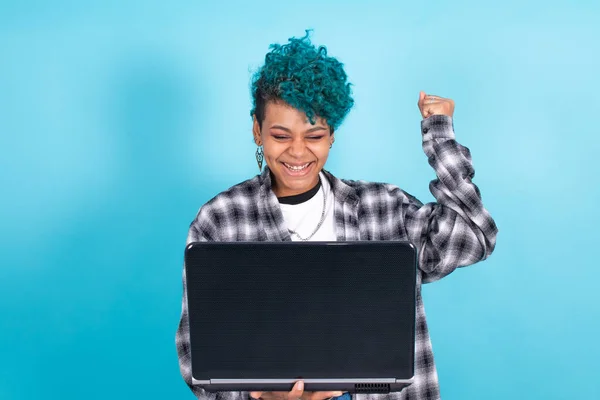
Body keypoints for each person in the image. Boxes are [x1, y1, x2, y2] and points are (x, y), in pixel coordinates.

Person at [176, 30, 498, 400]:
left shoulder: (384, 208)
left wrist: (439, 135)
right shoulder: (220, 220)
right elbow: (195, 352)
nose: (298, 153)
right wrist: (261, 397)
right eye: (281, 136)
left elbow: (473, 236)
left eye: (314, 136)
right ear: (257, 131)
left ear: (331, 136)